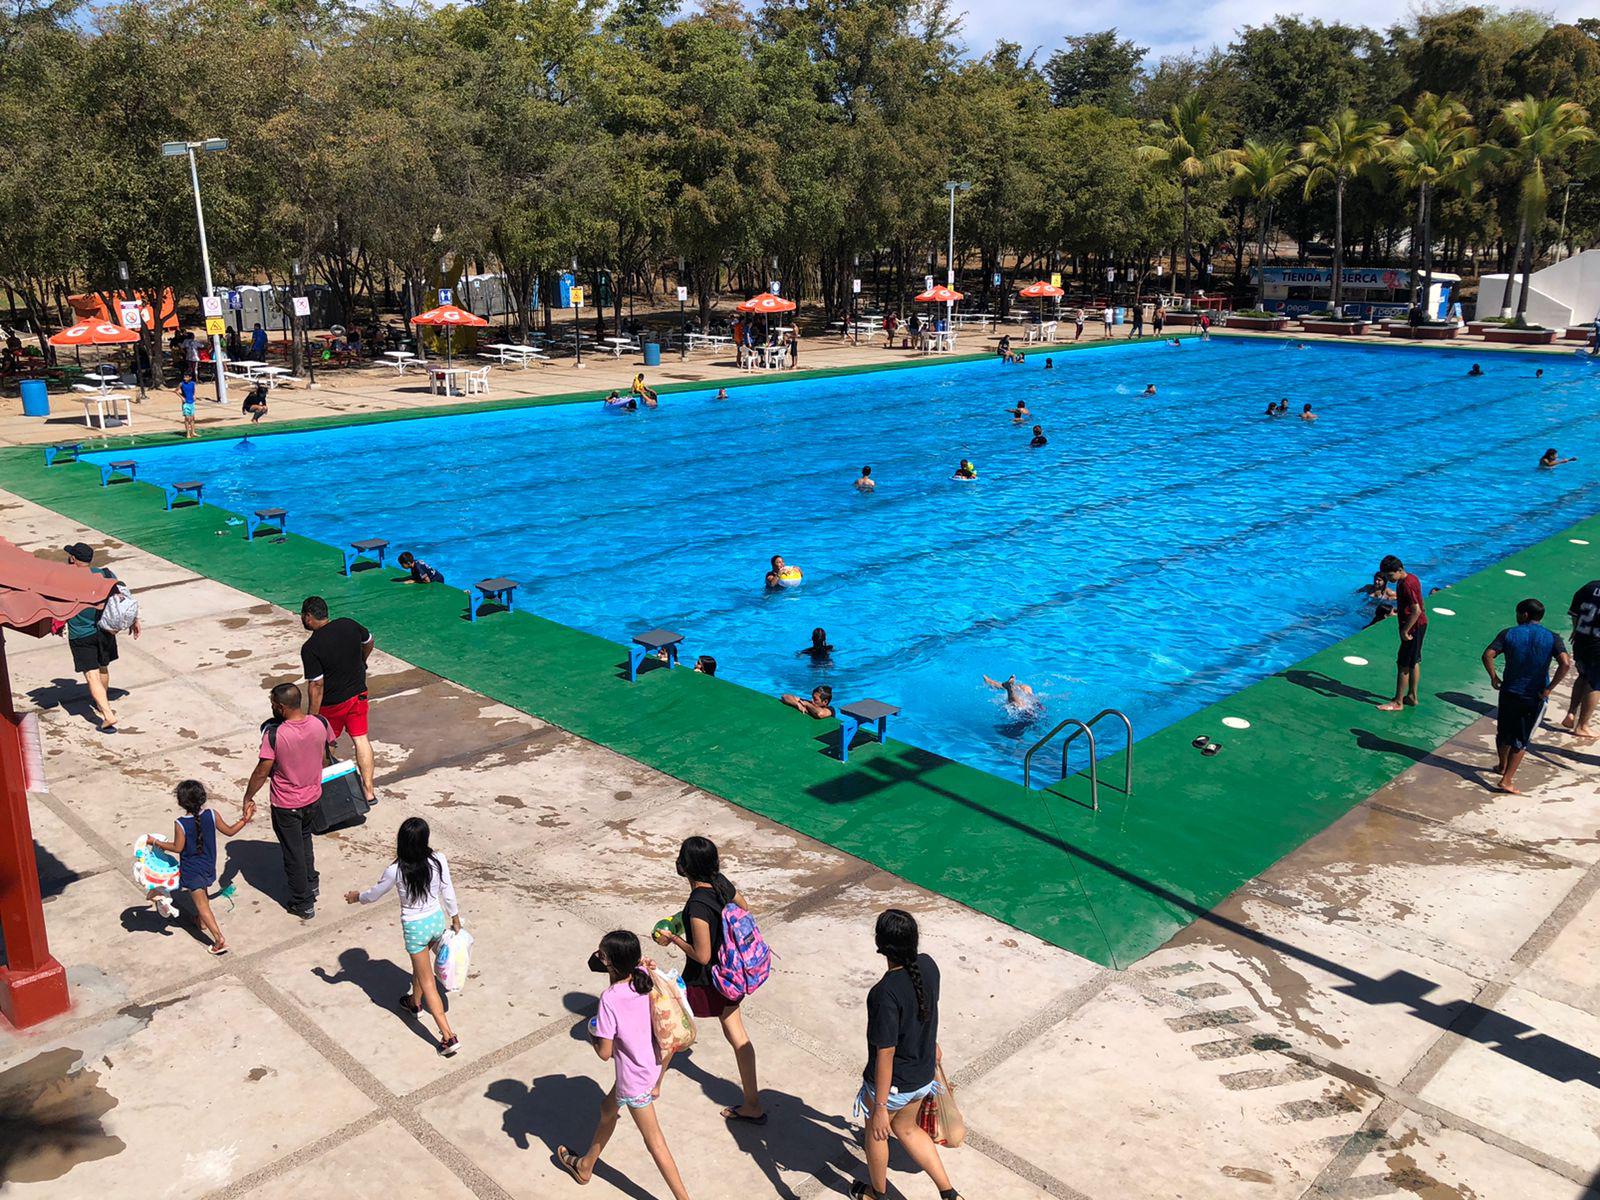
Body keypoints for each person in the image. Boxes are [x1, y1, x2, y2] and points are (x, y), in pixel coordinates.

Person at [557, 931, 693, 1197]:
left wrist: (591, 1032)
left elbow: (605, 1052)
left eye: (602, 954)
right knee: (607, 1109)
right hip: (652, 1063)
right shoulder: (644, 978)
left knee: (655, 1143)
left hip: (634, 1078)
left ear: (611, 962)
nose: (597, 957)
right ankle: (585, 1165)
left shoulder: (610, 998)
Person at [850, 909, 960, 1200]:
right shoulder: (928, 966)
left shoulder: (884, 993)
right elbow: (928, 1010)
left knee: (877, 1134)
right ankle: (949, 1194)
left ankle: (877, 1194)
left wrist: (882, 1108)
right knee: (907, 1129)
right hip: (922, 1076)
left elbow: (885, 1053)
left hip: (893, 1086)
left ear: (881, 945)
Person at [653, 837, 764, 1124]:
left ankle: (652, 1086)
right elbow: (744, 908)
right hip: (731, 976)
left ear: (683, 868)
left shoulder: (698, 905)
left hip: (705, 982)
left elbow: (702, 956)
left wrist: (673, 937)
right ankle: (752, 1102)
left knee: (668, 1026)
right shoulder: (721, 884)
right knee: (738, 1036)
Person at [346, 817, 462, 1056]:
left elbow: (374, 894)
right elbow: (447, 890)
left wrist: (357, 897)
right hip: (436, 921)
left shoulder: (395, 870)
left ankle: (447, 1036)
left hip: (415, 928)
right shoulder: (438, 860)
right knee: (419, 970)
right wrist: (456, 917)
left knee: (427, 979)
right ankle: (413, 1003)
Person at [243, 683, 335, 919]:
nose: (272, 707)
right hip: (313, 797)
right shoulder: (320, 723)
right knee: (304, 841)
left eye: (273, 704)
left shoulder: (275, 735)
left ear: (282, 707)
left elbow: (261, 771)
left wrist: (248, 796)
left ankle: (302, 901)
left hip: (287, 804)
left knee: (292, 853)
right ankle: (311, 882)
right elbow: (326, 756)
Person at [146, 780, 254, 955]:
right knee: (202, 895)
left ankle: (218, 940)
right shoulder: (212, 814)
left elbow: (177, 848)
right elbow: (230, 831)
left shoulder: (180, 823)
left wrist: (156, 842)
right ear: (203, 798)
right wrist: (245, 818)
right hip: (208, 866)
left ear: (181, 802)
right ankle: (201, 922)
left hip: (192, 870)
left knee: (202, 904)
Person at [1483, 599, 1571, 794]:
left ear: (1524, 615)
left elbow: (1488, 654)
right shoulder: (1552, 637)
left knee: (1503, 732)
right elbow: (1565, 663)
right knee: (1521, 739)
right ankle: (1507, 780)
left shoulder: (1509, 633)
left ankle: (1501, 765)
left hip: (1509, 691)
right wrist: (1549, 688)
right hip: (1534, 696)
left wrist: (1494, 677)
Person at [300, 596, 377, 805]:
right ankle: (369, 791)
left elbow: (316, 686)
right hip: (358, 694)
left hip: (333, 704)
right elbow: (369, 640)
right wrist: (362, 660)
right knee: (361, 739)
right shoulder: (348, 624)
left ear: (308, 617)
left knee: (326, 744)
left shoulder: (311, 647)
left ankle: (321, 788)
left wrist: (313, 719)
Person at [60, 542, 139, 732]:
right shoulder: (106, 574)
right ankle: (101, 702)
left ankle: (107, 715)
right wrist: (135, 619)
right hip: (104, 630)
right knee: (103, 667)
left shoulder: (65, 579)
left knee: (91, 674)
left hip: (81, 634)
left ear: (72, 559)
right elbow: (123, 597)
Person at [1377, 555, 1427, 712]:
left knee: (1403, 664)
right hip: (1419, 625)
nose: (1388, 579)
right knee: (1414, 661)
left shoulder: (1406, 584)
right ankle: (1412, 696)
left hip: (1413, 627)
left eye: (1390, 575)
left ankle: (1398, 702)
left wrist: (1405, 630)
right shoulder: (1410, 578)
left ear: (1399, 570)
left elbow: (1416, 610)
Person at [1561, 578, 1600, 739]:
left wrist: (1575, 629)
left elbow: (1575, 612)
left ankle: (1571, 714)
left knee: (1583, 676)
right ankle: (1582, 726)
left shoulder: (1590, 587)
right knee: (1595, 684)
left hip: (1582, 639)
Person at [176, 370, 197, 438]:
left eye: (186, 377)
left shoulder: (193, 383)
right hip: (186, 403)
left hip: (192, 402)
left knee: (192, 418)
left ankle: (193, 432)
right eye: (184, 377)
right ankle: (188, 433)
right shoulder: (181, 384)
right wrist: (182, 397)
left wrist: (194, 395)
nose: (185, 378)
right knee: (187, 418)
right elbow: (176, 391)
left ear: (190, 377)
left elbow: (193, 391)